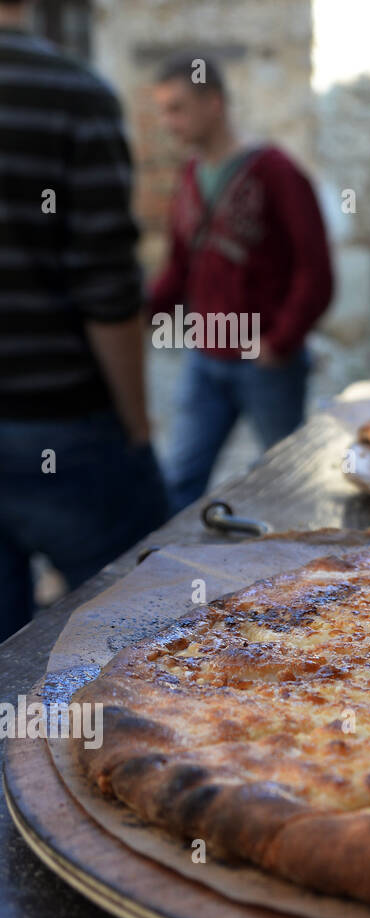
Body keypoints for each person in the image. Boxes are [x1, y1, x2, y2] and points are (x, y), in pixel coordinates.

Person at [0, 0, 168, 642]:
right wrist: (138, 426)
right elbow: (107, 288)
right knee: (135, 629)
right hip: (63, 422)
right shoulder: (74, 96)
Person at [150, 52, 334, 512]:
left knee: (287, 482)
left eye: (177, 108)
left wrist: (280, 341)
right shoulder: (191, 175)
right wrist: (140, 311)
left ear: (213, 103)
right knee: (180, 479)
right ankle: (167, 579)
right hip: (204, 353)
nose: (167, 122)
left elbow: (316, 270)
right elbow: (179, 265)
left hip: (264, 358)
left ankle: (301, 578)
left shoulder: (276, 171)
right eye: (163, 109)